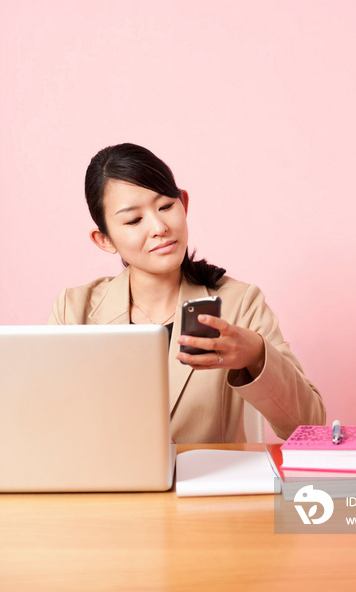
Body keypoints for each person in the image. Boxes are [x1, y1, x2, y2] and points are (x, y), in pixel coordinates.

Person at [48, 143, 326, 442]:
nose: (159, 227)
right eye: (133, 220)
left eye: (166, 206)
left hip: (206, 487)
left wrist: (256, 354)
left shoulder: (239, 302)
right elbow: (47, 424)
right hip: (106, 487)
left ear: (184, 204)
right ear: (104, 240)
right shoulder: (74, 309)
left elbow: (310, 429)